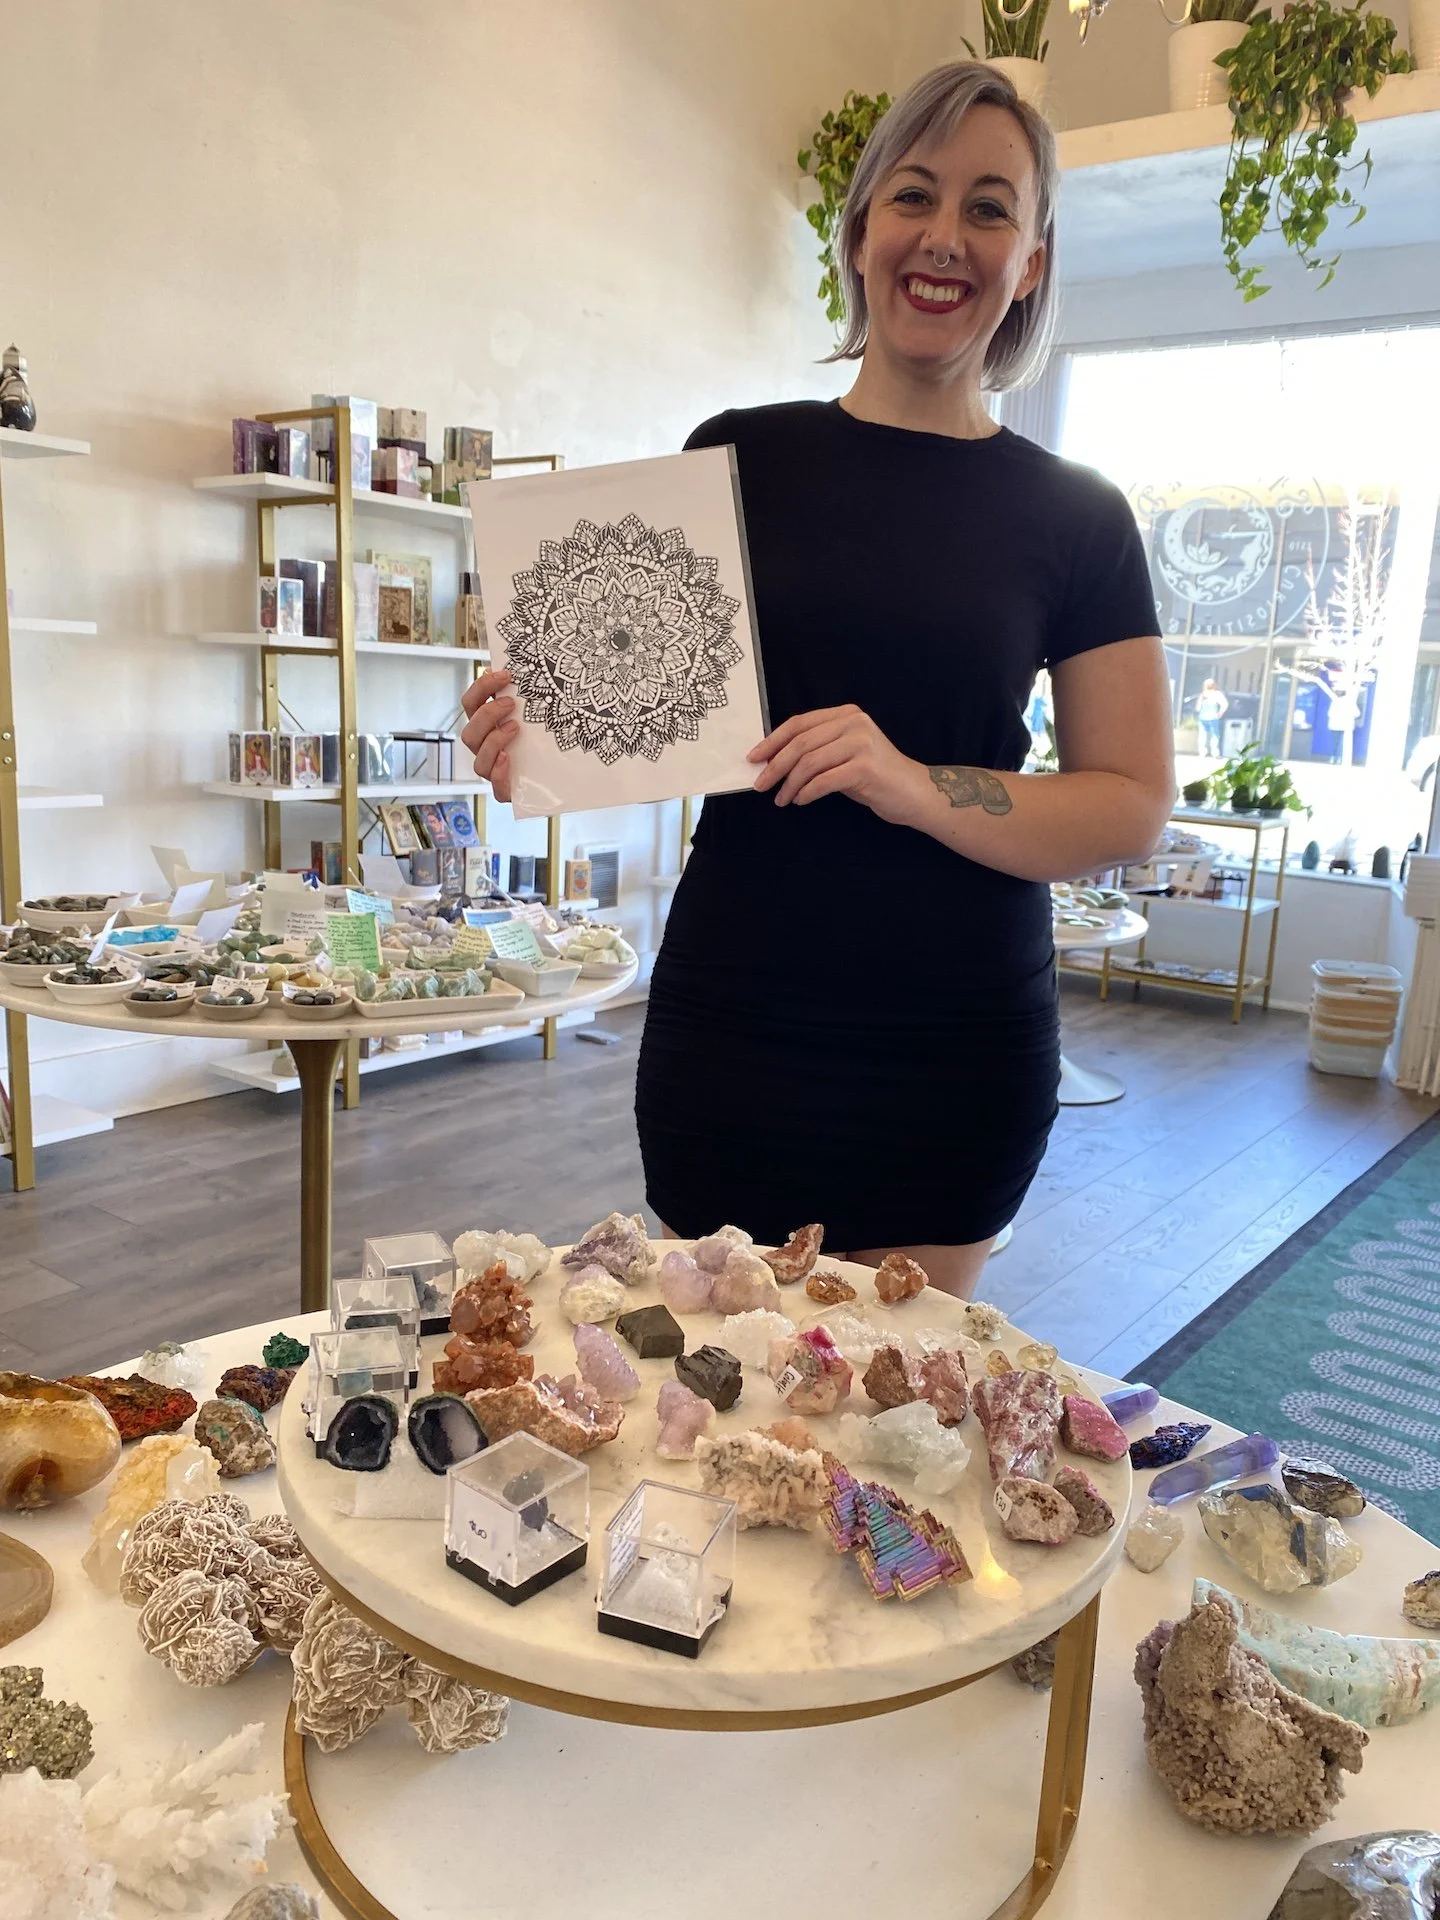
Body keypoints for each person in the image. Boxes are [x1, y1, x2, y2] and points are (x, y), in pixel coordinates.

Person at [460, 61, 1174, 1298]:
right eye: (915, 195)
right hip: (736, 1027)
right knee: (702, 1431)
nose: (945, 238)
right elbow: (640, 720)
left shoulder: (1078, 517)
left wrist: (911, 782)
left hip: (951, 1052)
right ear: (859, 232)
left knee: (907, 1445)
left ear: (1034, 260)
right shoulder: (737, 457)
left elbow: (1130, 803)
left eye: (991, 208)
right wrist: (533, 728)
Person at [1195, 679, 1228, 757]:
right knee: (1214, 735)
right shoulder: (1217, 694)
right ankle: (1215, 753)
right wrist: (1220, 712)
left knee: (1202, 736)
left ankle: (1202, 752)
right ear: (1214, 685)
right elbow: (1225, 704)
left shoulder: (1203, 694)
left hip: (1202, 717)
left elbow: (1198, 708)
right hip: (1213, 717)